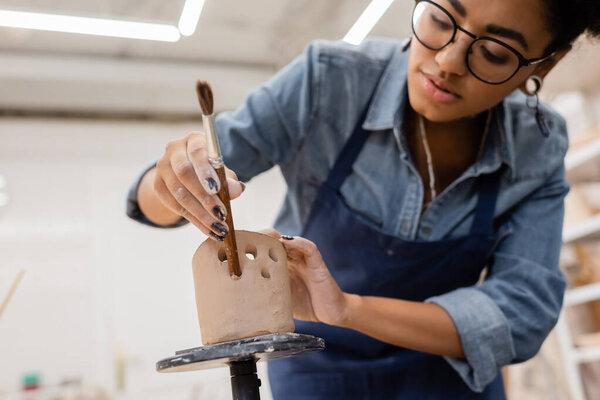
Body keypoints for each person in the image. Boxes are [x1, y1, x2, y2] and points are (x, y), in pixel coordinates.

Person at [127, 0, 600, 398]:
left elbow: (521, 314)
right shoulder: (328, 81)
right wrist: (172, 181)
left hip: (447, 375)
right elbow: (151, 201)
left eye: (495, 52)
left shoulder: (536, 145)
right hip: (317, 368)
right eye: (440, 18)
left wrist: (348, 309)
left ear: (545, 64)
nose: (449, 61)